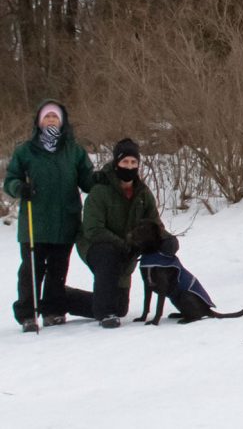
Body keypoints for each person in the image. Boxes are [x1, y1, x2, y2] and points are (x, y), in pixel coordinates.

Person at [4, 101, 94, 332]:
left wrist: (105, 180)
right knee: (31, 270)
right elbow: (10, 180)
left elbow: (87, 181)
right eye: (47, 117)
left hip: (65, 220)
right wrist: (19, 188)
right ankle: (27, 313)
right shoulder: (26, 150)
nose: (51, 120)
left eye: (55, 117)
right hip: (35, 222)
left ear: (62, 121)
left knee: (58, 269)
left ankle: (53, 310)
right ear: (39, 121)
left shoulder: (74, 150)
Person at [77, 138, 177, 328]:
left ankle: (62, 298)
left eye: (133, 162)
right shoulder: (100, 191)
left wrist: (168, 240)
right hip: (95, 246)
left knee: (120, 307)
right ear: (116, 163)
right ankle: (105, 314)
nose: (129, 166)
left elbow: (155, 224)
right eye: (125, 162)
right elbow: (92, 229)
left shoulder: (143, 193)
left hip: (127, 250)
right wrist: (124, 244)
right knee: (108, 254)